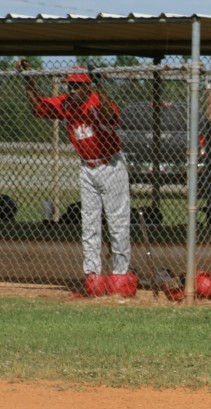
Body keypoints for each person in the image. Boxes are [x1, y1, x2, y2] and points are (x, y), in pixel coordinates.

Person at [17, 60, 135, 297]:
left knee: (117, 223)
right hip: (87, 168)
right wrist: (28, 80)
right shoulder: (67, 104)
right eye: (69, 85)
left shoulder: (96, 101)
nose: (70, 90)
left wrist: (99, 86)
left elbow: (110, 116)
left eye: (76, 86)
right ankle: (92, 275)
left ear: (87, 87)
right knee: (89, 224)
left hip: (111, 165)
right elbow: (37, 108)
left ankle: (121, 274)